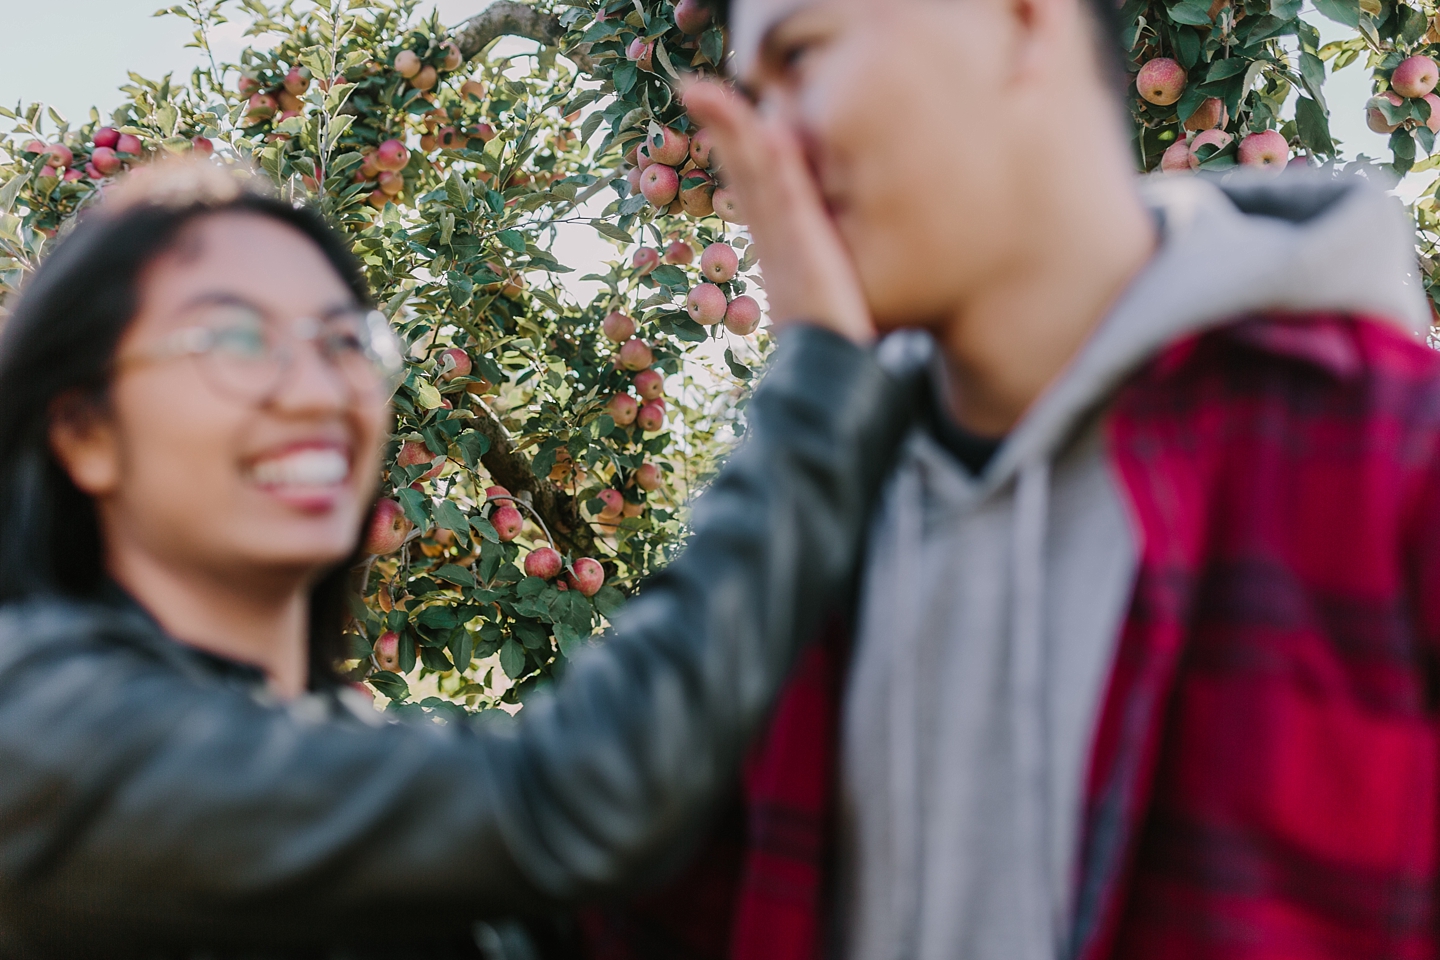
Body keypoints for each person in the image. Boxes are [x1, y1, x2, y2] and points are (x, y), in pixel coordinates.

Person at [580, 0, 1440, 958]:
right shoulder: (801, 535)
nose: (765, 157)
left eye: (804, 56)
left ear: (1023, 22)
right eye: (755, 93)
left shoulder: (1394, 470)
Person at [0, 158, 913, 958]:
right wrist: (827, 382)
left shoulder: (347, 759)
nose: (319, 390)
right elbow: (581, 795)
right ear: (83, 430)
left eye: (343, 341)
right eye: (235, 338)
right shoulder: (35, 732)